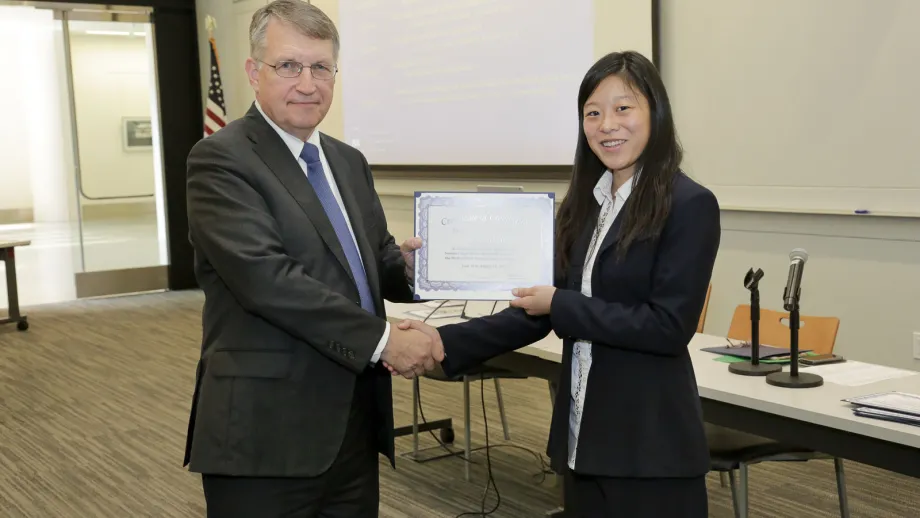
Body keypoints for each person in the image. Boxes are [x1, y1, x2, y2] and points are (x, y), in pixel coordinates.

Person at [396, 51, 721, 517]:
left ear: (657, 113)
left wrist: (561, 303)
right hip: (582, 439)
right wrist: (440, 342)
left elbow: (667, 327)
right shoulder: (584, 205)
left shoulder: (688, 205)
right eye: (593, 113)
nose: (607, 124)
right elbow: (534, 310)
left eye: (623, 108)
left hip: (649, 446)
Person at [182, 1, 440, 516]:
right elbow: (268, 281)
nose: (307, 83)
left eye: (320, 67)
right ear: (255, 73)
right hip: (266, 435)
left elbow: (372, 260)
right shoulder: (221, 160)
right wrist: (386, 341)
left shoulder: (347, 161)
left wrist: (411, 268)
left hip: (352, 426)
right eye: (288, 66)